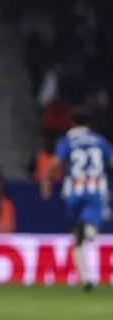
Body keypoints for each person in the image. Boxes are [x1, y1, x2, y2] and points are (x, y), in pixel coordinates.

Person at [41, 111, 113, 292]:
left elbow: (55, 164)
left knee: (77, 237)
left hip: (73, 190)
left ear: (72, 122)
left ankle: (85, 279)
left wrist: (46, 182)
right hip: (95, 188)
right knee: (91, 227)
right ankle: (89, 231)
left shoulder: (67, 141)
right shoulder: (100, 140)